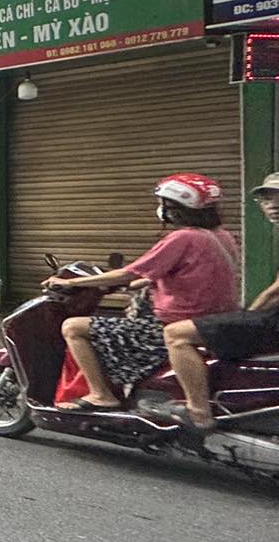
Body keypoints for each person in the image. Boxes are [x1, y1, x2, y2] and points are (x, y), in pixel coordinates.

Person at [47, 173, 238, 412]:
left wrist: (71, 283)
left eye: (163, 203)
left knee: (73, 327)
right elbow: (190, 272)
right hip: (211, 322)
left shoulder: (183, 237)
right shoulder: (222, 236)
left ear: (174, 208)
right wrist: (144, 282)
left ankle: (101, 395)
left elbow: (128, 273)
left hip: (171, 325)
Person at [165, 172, 279, 430]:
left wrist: (246, 317)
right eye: (266, 199)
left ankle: (198, 412)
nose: (273, 205)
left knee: (176, 334)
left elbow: (275, 292)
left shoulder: (187, 236)